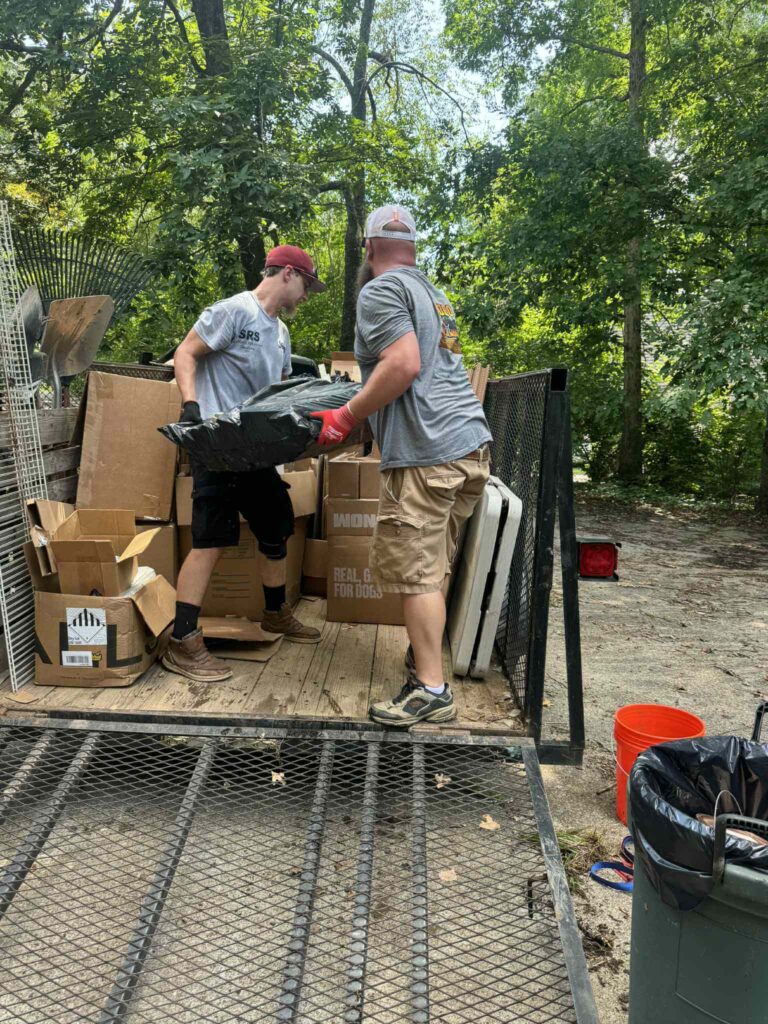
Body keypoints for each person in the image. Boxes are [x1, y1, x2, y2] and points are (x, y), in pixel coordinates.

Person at [310, 205, 492, 726]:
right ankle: (424, 661)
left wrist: (346, 416)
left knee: (415, 574)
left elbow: (405, 365)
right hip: (470, 446)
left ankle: (431, 689)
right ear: (412, 249)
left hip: (427, 453)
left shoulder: (380, 290)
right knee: (433, 568)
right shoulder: (435, 296)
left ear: (368, 249)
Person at [163, 245, 326, 684]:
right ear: (288, 273)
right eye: (307, 285)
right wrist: (191, 405)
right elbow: (185, 353)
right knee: (211, 539)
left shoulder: (281, 334)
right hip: (218, 444)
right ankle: (182, 639)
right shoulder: (234, 311)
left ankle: (275, 613)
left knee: (276, 525)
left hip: (254, 450)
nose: (306, 296)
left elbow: (278, 394)